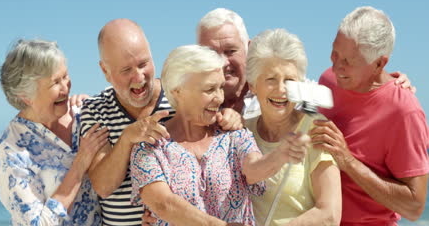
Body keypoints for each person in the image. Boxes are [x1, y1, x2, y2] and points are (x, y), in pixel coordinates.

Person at [79, 19, 243, 226]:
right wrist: (127, 139)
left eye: (143, 64)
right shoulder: (95, 110)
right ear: (105, 71)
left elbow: (212, 161)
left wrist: (231, 117)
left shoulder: (181, 95)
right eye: (126, 70)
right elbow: (102, 186)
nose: (139, 77)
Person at [130, 45, 310, 226]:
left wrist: (280, 156)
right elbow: (163, 204)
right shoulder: (149, 146)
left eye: (221, 87)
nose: (219, 98)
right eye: (209, 89)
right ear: (178, 91)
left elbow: (253, 170)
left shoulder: (234, 134)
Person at [311, 6, 429, 225]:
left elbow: (414, 207)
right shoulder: (328, 80)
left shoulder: (405, 111)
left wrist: (348, 161)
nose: (337, 66)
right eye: (335, 53)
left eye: (349, 60)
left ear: (379, 64)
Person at [196, 8, 416, 118]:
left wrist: (388, 83)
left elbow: (351, 102)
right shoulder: (187, 101)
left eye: (230, 50)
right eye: (210, 52)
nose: (222, 62)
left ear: (249, 47)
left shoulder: (295, 93)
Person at [0, 39, 108, 226]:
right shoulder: (11, 151)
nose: (66, 87)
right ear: (26, 96)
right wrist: (80, 164)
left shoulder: (82, 113)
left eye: (65, 76)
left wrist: (95, 107)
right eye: (55, 82)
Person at [245, 29, 341, 225]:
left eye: (289, 81)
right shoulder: (244, 131)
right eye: (271, 79)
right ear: (253, 85)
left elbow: (330, 214)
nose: (281, 90)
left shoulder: (316, 129)